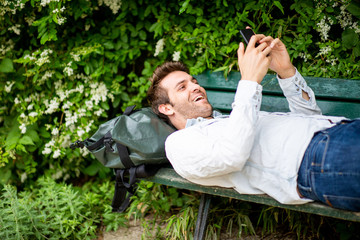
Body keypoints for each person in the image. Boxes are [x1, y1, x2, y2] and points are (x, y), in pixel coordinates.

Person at [147, 32, 360, 211]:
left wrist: (286, 72)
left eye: (194, 81)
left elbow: (312, 120)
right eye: (182, 87)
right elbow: (232, 156)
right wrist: (249, 81)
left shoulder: (233, 119)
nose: (195, 86)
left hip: (338, 130)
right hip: (316, 160)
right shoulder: (179, 143)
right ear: (166, 108)